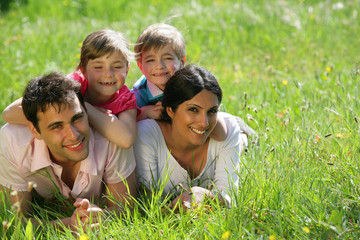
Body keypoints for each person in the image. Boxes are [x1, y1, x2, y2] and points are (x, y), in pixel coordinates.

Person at [0, 72, 137, 230]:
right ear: (35, 130)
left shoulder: (111, 137)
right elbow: (14, 222)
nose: (74, 135)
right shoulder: (11, 142)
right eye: (57, 126)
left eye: (77, 118)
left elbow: (127, 209)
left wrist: (101, 217)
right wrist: (68, 225)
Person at [133, 64, 248, 208]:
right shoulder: (147, 135)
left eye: (212, 111)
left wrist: (204, 195)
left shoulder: (229, 128)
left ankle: (244, 138)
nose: (204, 123)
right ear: (170, 110)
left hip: (231, 135)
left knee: (236, 136)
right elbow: (147, 205)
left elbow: (230, 198)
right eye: (193, 109)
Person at [2, 29, 138, 149]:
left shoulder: (125, 99)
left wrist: (85, 112)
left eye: (117, 67)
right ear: (83, 70)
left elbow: (126, 140)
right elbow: (9, 114)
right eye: (98, 67)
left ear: (127, 69)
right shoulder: (71, 85)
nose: (108, 74)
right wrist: (84, 108)